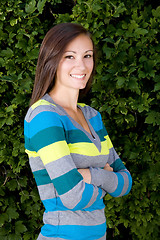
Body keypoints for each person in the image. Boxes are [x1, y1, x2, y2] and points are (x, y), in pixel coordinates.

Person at [24, 22, 132, 240]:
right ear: (52, 59)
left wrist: (90, 175)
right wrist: (107, 177)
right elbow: (73, 196)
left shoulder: (93, 116)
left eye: (88, 56)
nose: (82, 66)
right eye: (70, 56)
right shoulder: (44, 116)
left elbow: (126, 183)